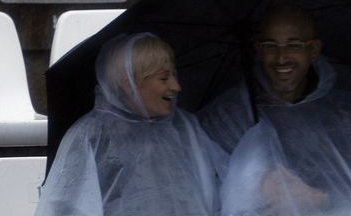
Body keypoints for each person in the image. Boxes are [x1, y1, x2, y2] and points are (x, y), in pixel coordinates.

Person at [200, 5, 351, 216]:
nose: (281, 58)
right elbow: (209, 200)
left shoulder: (343, 116)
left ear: (314, 50)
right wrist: (254, 186)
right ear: (258, 50)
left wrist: (319, 197)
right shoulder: (227, 117)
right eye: (270, 46)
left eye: (293, 45)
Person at [36, 33, 226, 216]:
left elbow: (213, 192)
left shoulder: (183, 127)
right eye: (164, 78)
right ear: (130, 83)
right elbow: (68, 206)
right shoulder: (92, 135)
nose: (176, 86)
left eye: (174, 76)